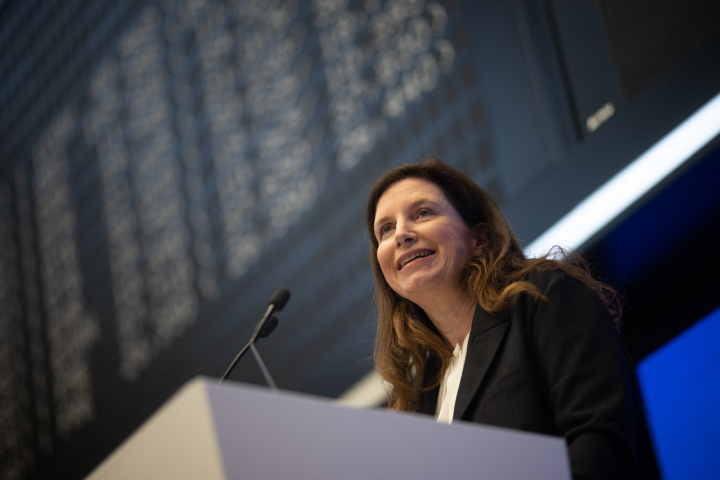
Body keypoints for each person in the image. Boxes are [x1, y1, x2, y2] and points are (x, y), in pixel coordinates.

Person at [366, 158, 658, 480]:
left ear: (480, 239)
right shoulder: (415, 398)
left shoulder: (545, 296)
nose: (401, 235)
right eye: (386, 229)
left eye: (423, 213)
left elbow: (599, 445)